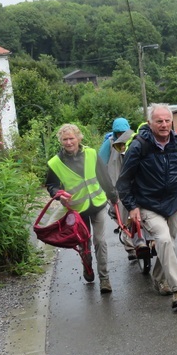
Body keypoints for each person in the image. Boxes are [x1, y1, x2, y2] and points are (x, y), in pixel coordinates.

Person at [116, 104, 177, 309]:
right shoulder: (139, 146)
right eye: (159, 121)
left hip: (173, 203)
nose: (164, 125)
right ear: (150, 123)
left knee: (168, 243)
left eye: (167, 121)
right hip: (147, 204)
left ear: (172, 122)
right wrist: (132, 206)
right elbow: (124, 181)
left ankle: (158, 277)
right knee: (163, 239)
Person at [46, 123, 118, 294]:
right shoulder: (55, 163)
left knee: (100, 241)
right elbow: (51, 185)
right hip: (77, 208)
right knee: (83, 243)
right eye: (65, 139)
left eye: (71, 138)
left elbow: (104, 176)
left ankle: (104, 278)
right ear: (60, 141)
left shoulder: (91, 154)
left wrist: (113, 196)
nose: (69, 142)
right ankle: (87, 265)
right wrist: (58, 194)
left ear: (79, 138)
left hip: (98, 203)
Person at [102, 119, 151, 261]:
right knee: (123, 217)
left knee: (142, 214)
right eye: (119, 133)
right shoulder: (109, 144)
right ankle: (130, 248)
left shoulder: (136, 140)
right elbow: (100, 165)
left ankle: (146, 241)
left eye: (124, 132)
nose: (122, 135)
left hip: (137, 184)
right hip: (118, 187)